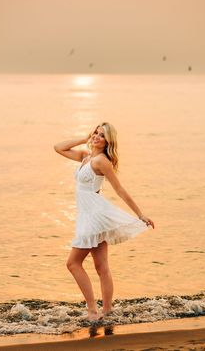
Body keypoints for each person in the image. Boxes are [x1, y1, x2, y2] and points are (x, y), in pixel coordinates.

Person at [54, 121, 155, 321]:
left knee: (73, 264)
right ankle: (107, 312)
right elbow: (58, 147)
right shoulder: (86, 157)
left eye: (102, 135)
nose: (97, 137)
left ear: (108, 141)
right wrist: (85, 138)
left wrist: (140, 214)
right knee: (101, 267)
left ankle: (93, 310)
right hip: (88, 215)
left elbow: (119, 189)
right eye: (96, 133)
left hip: (94, 216)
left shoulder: (101, 161)